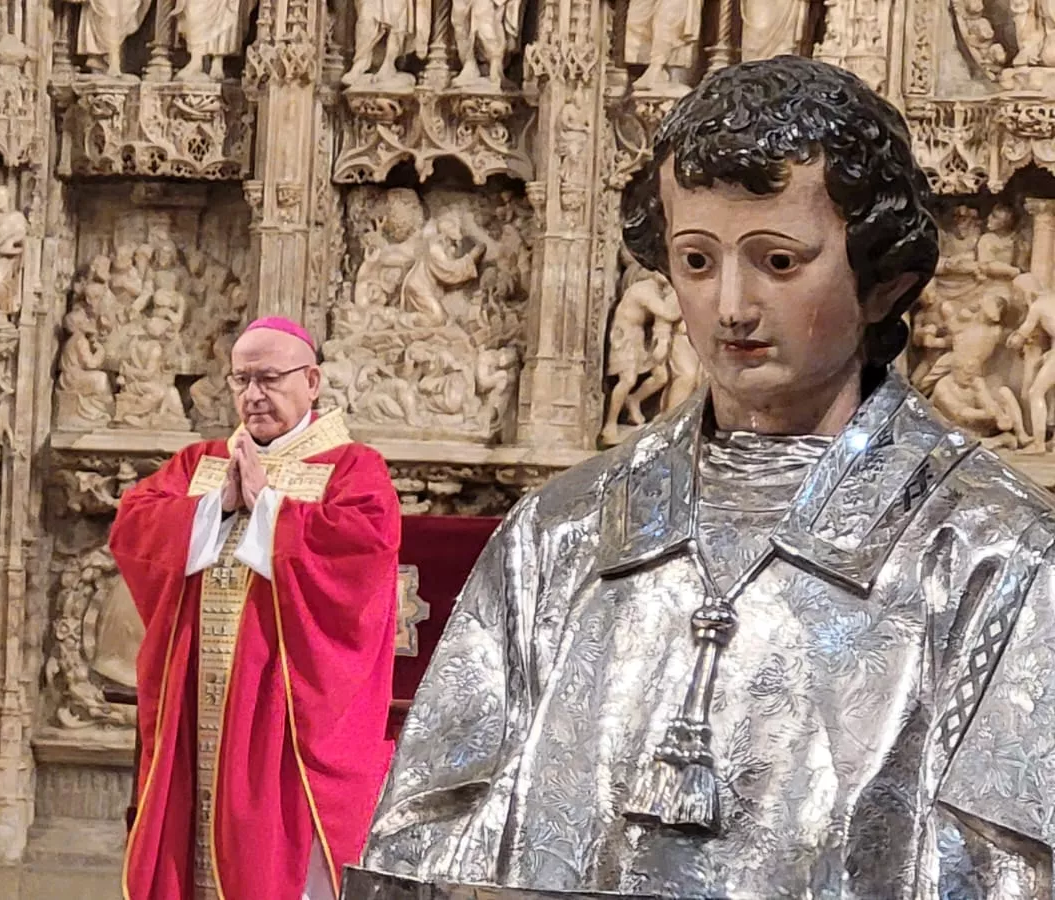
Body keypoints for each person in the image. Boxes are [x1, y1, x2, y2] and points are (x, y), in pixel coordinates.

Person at [349, 56, 1055, 898]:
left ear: (883, 281)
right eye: (694, 259)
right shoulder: (563, 533)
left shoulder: (996, 552)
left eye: (778, 261)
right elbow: (429, 843)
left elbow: (1010, 868)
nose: (730, 306)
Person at [110, 317, 402, 900]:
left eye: (269, 378)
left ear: (312, 380)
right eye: (241, 379)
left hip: (286, 708)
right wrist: (220, 502)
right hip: (199, 703)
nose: (252, 395)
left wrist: (269, 504)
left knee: (275, 859)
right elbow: (133, 525)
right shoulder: (201, 463)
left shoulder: (350, 467)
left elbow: (364, 549)